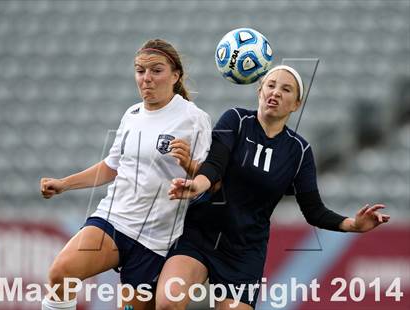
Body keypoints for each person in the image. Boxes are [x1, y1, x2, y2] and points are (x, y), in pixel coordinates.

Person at [157, 65, 390, 310]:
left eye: (286, 89)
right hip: (201, 235)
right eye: (271, 85)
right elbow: (214, 166)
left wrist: (353, 225)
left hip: (244, 253)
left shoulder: (298, 151)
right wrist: (197, 185)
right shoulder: (236, 120)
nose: (276, 92)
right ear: (259, 91)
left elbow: (314, 211)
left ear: (296, 104)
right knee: (166, 303)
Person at [39, 39, 211, 310]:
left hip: (154, 239)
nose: (147, 79)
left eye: (156, 70)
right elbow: (112, 165)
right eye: (140, 71)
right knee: (61, 274)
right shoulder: (131, 114)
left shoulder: (193, 118)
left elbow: (209, 178)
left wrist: (189, 166)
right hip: (113, 219)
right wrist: (64, 184)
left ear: (175, 75)